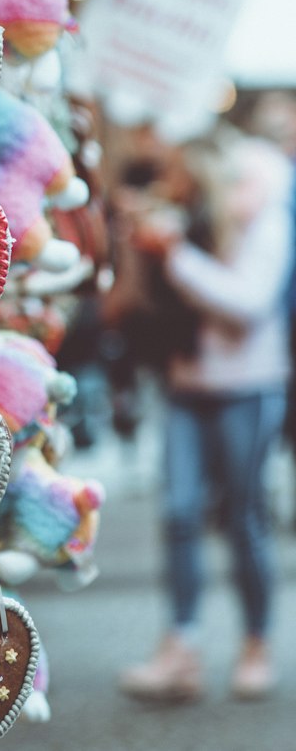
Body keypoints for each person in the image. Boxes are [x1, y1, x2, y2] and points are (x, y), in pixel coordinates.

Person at [117, 131, 293, 704]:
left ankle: (255, 644)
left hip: (249, 388)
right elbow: (141, 305)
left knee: (243, 520)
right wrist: (136, 246)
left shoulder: (265, 223)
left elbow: (247, 304)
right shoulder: (181, 225)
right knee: (178, 515)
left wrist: (177, 258)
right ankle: (182, 649)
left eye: (187, 181)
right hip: (186, 387)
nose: (178, 190)